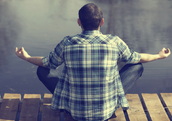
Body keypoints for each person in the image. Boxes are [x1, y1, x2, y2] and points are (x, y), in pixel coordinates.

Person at [15, 3, 171, 121]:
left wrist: (26, 57)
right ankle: (112, 100)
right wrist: (158, 56)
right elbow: (137, 57)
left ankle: (68, 102)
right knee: (136, 66)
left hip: (75, 112)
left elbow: (46, 62)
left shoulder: (68, 43)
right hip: (106, 112)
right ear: (102, 22)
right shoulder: (113, 41)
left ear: (79, 22)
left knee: (42, 69)